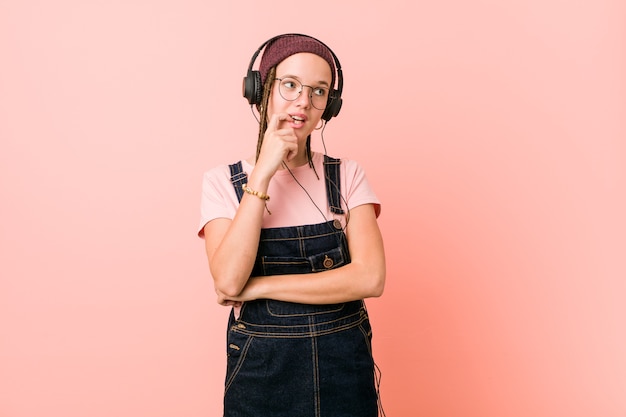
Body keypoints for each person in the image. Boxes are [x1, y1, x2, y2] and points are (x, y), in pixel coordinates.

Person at [197, 33, 386, 417]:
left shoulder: (346, 176)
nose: (304, 101)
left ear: (329, 106)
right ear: (261, 90)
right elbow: (229, 283)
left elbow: (370, 278)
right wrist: (263, 173)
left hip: (343, 371)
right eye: (290, 85)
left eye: (319, 91)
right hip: (261, 373)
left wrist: (262, 287)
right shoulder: (221, 182)